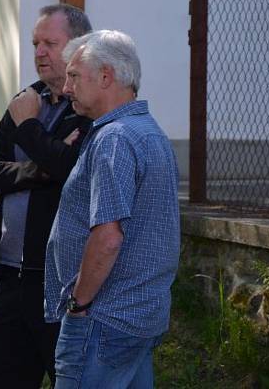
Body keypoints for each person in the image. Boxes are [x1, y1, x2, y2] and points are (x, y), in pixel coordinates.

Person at [45, 30, 180, 388]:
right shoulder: (149, 132)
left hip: (104, 319)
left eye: (74, 76)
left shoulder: (115, 138)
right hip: (139, 316)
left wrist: (78, 303)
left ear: (105, 76)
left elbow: (108, 238)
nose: (66, 88)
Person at [0, 4, 93, 388]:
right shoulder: (28, 99)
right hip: (10, 277)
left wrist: (29, 132)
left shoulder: (87, 109)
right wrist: (37, 169)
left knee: (70, 379)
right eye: (35, 43)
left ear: (79, 47)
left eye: (50, 43)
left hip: (59, 281)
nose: (39, 52)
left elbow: (70, 169)